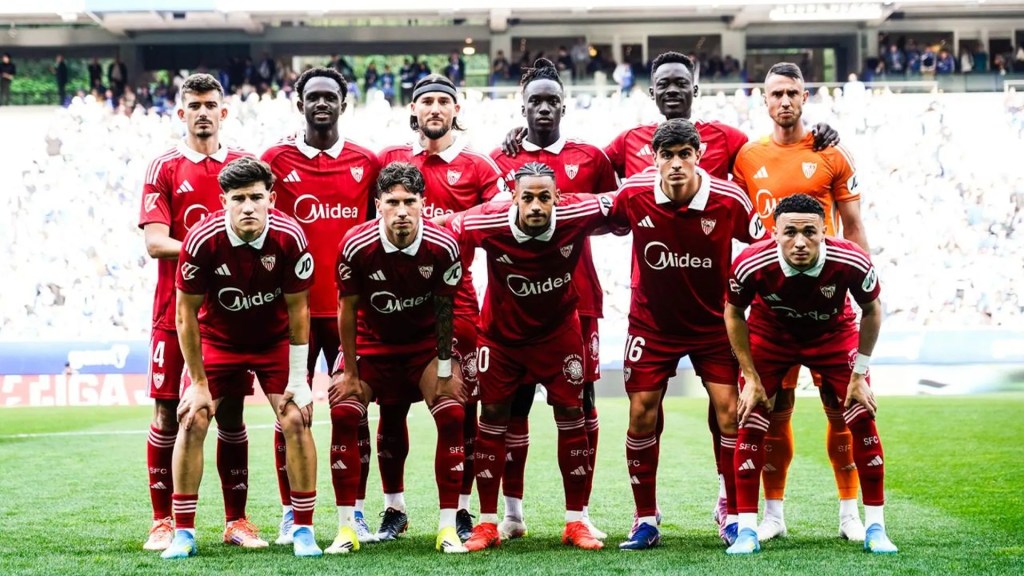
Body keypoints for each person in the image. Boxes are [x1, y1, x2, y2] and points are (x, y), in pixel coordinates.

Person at [605, 118, 766, 550]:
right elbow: (592, 217)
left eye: (684, 155)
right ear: (653, 159)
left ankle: (733, 514)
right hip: (651, 325)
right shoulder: (633, 194)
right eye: (667, 155)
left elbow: (762, 246)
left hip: (712, 325)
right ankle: (645, 518)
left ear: (698, 156)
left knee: (730, 412)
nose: (676, 164)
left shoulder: (729, 199)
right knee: (641, 412)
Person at [435, 162, 612, 552]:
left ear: (557, 199)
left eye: (544, 197)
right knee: (493, 418)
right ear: (512, 198)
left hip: (559, 335)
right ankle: (486, 523)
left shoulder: (577, 212)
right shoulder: (485, 221)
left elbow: (625, 205)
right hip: (500, 340)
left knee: (571, 415)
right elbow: (445, 228)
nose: (536, 205)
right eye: (527, 197)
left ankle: (575, 521)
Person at [731, 62, 869, 544]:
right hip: (774, 305)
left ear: (805, 97)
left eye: (792, 93)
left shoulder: (831, 152)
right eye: (776, 94)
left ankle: (851, 512)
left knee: (843, 409)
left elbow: (852, 229)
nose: (785, 101)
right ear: (763, 100)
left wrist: (861, 285)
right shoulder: (747, 157)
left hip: (830, 304)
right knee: (774, 410)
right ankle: (773, 514)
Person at [162, 157, 321, 559]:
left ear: (271, 198)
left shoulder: (289, 236)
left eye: (255, 197)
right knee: (193, 417)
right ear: (223, 201)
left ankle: (303, 529)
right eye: (238, 198)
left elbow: (300, 309)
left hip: (272, 342)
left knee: (296, 416)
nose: (248, 206)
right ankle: (183, 532)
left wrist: (300, 379)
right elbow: (185, 316)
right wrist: (198, 384)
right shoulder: (201, 240)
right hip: (219, 341)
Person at [488, 58, 618, 542]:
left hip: (578, 300)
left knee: (580, 406)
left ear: (564, 105)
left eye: (551, 101)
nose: (543, 108)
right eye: (534, 102)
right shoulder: (499, 159)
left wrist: (573, 216)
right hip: (515, 307)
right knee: (510, 408)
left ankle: (578, 512)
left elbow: (616, 215)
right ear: (521, 107)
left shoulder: (591, 158)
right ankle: (512, 513)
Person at [724, 194, 897, 555]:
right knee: (751, 417)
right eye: (789, 232)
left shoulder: (850, 258)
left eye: (809, 232)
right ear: (774, 234)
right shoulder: (751, 262)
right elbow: (734, 313)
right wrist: (750, 377)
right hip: (771, 338)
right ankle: (747, 530)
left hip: (832, 336)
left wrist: (859, 374)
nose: (799, 242)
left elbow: (872, 310)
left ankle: (875, 527)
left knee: (861, 414)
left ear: (824, 231)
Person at [377, 73, 507, 542]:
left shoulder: (477, 165)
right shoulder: (391, 161)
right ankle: (394, 509)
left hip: (457, 303)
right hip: (392, 305)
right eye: (425, 101)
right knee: (391, 410)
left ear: (456, 109)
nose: (434, 108)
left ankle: (462, 509)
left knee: (460, 407)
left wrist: (455, 221)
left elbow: (503, 213)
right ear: (413, 110)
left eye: (442, 101)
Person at [260, 66, 381, 546]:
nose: (322, 104)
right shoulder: (274, 159)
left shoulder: (365, 162)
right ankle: (292, 512)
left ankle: (357, 513)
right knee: (290, 412)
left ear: (344, 104)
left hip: (351, 311)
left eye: (331, 96)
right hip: (293, 314)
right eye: (314, 97)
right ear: (300, 103)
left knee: (354, 412)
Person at [137, 73, 256, 553]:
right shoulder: (163, 167)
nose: (203, 112)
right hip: (175, 310)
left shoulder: (243, 166)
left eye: (211, 104)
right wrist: (211, 247)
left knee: (229, 412)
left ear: (223, 112)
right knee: (169, 412)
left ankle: (237, 521)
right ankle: (163, 521)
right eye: (194, 105)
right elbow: (154, 241)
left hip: (231, 316)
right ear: (181, 112)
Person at [326, 161, 468, 555]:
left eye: (410, 201)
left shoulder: (443, 246)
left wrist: (443, 368)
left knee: (454, 412)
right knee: (342, 412)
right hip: (372, 345)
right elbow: (347, 309)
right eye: (392, 202)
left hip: (423, 348)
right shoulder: (356, 245)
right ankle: (346, 528)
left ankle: (448, 527)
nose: (401, 210)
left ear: (424, 203)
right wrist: (350, 372)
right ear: (378, 204)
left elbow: (445, 309)